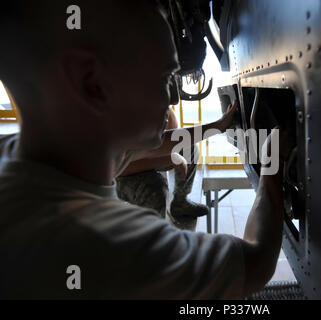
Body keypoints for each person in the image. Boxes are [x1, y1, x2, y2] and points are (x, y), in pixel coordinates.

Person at [0, 0, 289, 299]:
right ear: (92, 84)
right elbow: (256, 260)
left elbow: (158, 145)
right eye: (164, 78)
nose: (172, 98)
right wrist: (271, 167)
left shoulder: (29, 156)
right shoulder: (109, 245)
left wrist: (218, 125)